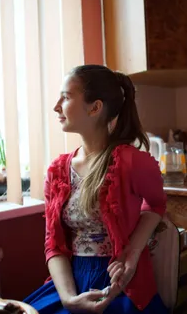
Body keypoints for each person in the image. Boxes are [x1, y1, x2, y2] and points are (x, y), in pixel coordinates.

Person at [24, 65, 169, 314]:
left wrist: (132, 252)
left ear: (95, 107)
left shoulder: (133, 162)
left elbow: (156, 204)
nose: (56, 106)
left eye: (66, 97)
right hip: (70, 284)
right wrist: (69, 299)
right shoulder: (57, 171)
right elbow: (54, 245)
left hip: (121, 287)